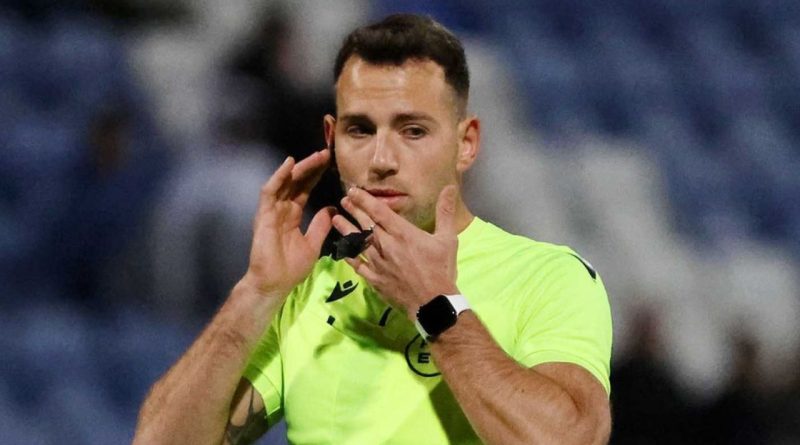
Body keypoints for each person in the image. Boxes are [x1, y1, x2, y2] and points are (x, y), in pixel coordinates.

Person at [133, 14, 612, 445]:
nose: (381, 160)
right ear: (331, 139)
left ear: (465, 144)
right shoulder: (308, 291)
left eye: (413, 131)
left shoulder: (548, 277)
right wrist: (255, 292)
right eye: (360, 130)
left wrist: (436, 307)